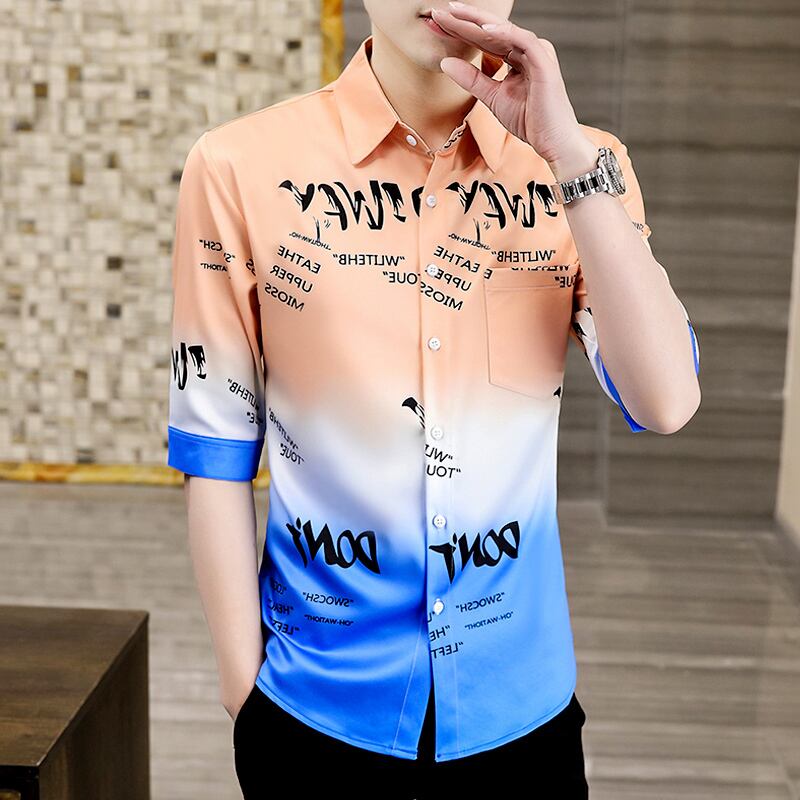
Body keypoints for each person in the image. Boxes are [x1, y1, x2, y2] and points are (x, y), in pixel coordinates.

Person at [166, 1, 701, 798]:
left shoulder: (587, 168)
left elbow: (665, 401)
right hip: (313, 714)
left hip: (522, 715)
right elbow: (215, 441)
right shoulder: (237, 167)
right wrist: (242, 688)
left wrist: (569, 159)